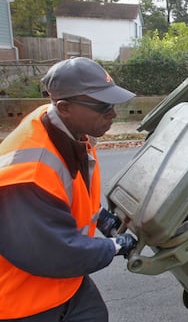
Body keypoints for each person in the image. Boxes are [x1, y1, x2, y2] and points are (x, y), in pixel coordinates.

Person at [0, 57, 138, 322]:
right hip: (26, 300)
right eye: (102, 106)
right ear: (64, 107)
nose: (112, 113)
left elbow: (65, 193)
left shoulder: (67, 130)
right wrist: (113, 246)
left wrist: (101, 218)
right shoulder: (28, 175)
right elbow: (57, 252)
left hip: (62, 283)